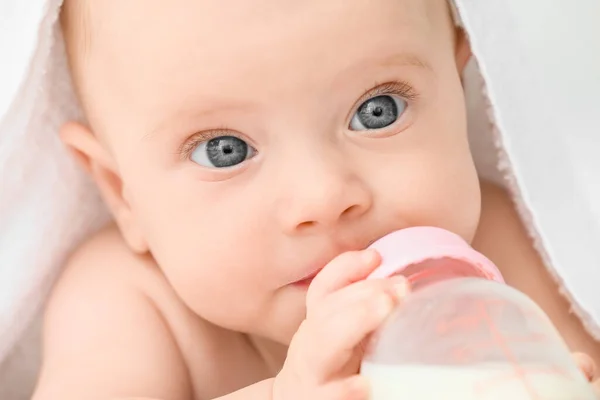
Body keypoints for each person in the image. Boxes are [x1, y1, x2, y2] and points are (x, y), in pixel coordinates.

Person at [31, 0, 600, 399]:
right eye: (225, 150)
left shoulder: (501, 252)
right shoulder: (132, 304)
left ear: (459, 87)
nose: (324, 197)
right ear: (121, 191)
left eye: (378, 111)